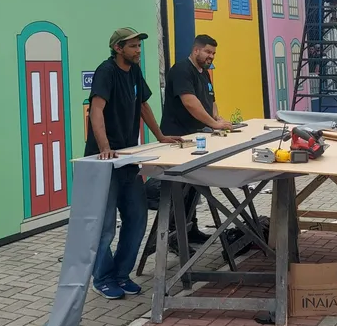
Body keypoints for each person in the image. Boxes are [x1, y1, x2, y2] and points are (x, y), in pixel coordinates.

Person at [85, 27, 180, 300]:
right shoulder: (106, 72)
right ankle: (101, 277)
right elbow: (96, 110)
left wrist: (160, 135)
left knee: (137, 218)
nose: (138, 50)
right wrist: (105, 147)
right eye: (133, 46)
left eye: (139, 46)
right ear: (118, 48)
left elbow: (144, 106)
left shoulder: (135, 71)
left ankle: (121, 274)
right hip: (104, 161)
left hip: (129, 158)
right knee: (104, 227)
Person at [160, 34, 232, 245]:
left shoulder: (205, 74)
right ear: (196, 50)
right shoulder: (182, 70)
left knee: (194, 188)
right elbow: (190, 103)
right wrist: (213, 124)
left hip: (197, 137)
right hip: (179, 138)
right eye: (208, 52)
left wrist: (216, 117)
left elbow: (211, 100)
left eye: (214, 53)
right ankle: (174, 238)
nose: (211, 56)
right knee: (180, 189)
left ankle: (190, 229)